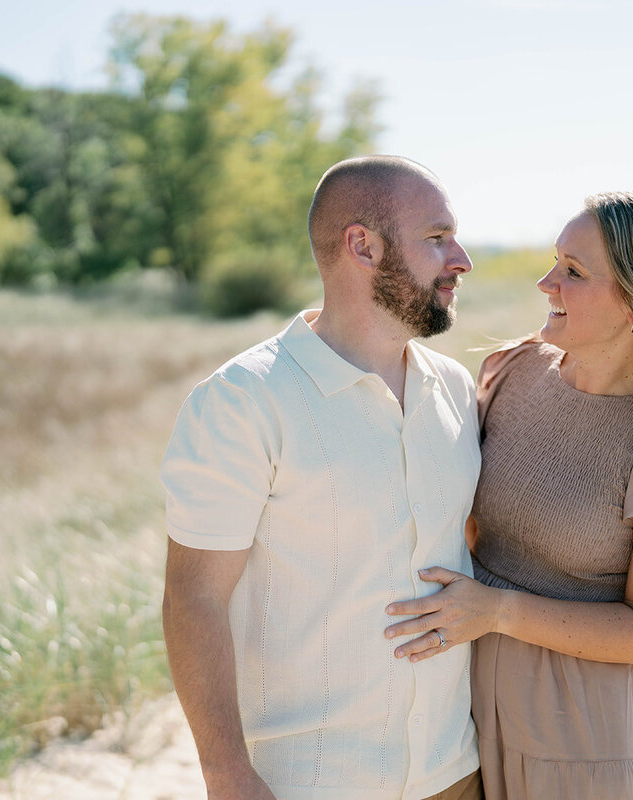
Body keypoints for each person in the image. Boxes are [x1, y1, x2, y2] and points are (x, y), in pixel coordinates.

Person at [383, 192, 633, 799]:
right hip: (463, 718)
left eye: (573, 272)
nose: (546, 282)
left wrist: (497, 611)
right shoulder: (512, 371)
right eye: (555, 261)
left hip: (587, 746)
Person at [161, 155, 484, 800]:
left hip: (454, 771)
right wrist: (226, 776)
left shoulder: (453, 388)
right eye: (437, 237)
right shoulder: (243, 400)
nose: (462, 259)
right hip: (313, 781)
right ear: (361, 244)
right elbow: (192, 599)